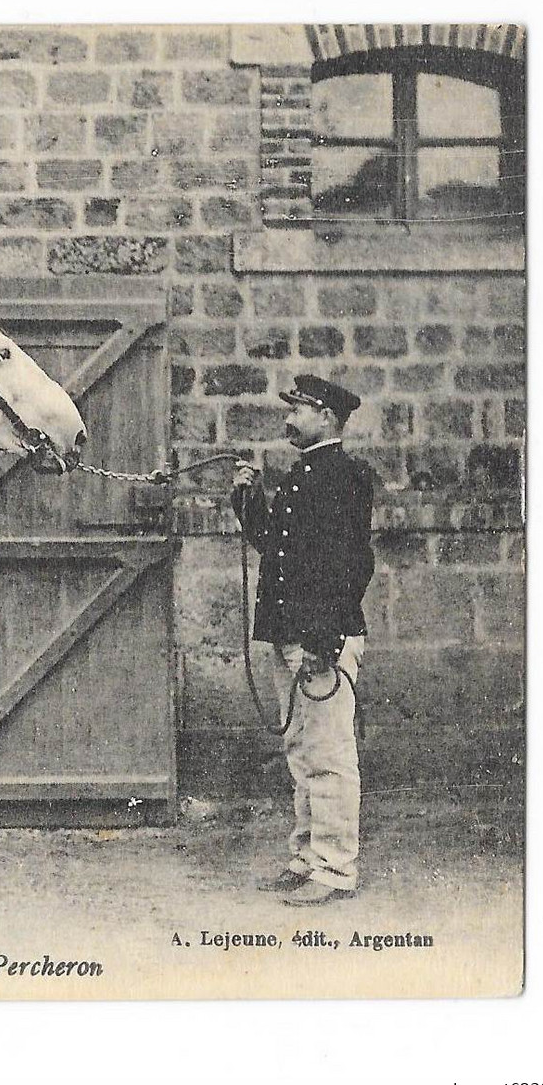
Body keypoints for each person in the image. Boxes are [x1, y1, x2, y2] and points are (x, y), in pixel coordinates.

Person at [231, 374, 375, 906]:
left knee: (330, 754)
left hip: (321, 640)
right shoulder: (305, 474)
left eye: (299, 411)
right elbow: (274, 544)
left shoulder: (344, 476)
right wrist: (249, 495)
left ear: (328, 418)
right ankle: (308, 857)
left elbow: (352, 565)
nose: (289, 420)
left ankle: (336, 868)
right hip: (292, 637)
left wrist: (323, 640)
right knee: (300, 751)